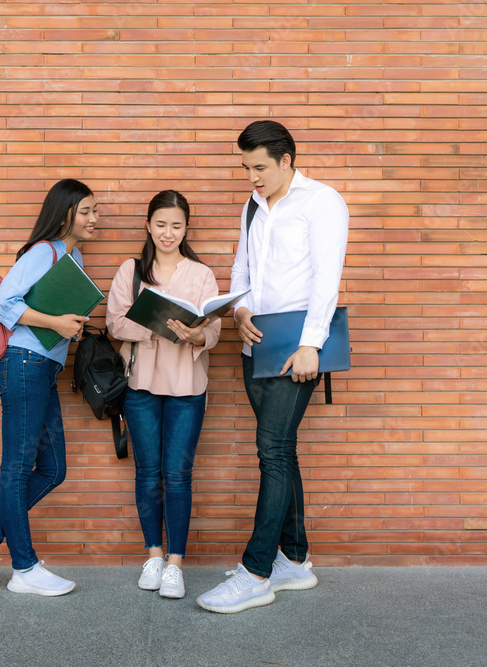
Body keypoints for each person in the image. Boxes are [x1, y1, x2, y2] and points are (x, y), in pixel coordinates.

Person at [196, 120, 348, 614]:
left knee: (273, 450)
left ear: (286, 160)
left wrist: (312, 347)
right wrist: (239, 310)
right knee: (281, 451)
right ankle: (296, 560)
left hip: (296, 348)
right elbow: (243, 266)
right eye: (245, 168)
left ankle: (257, 571)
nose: (251, 178)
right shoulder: (252, 206)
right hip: (254, 346)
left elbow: (327, 278)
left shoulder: (321, 202)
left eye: (258, 167)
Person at [0, 179, 98, 597]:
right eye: (86, 211)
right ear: (65, 213)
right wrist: (56, 323)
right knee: (17, 468)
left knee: (53, 469)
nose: (94, 219)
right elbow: (3, 304)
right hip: (22, 365)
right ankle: (24, 567)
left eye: (95, 211)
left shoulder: (74, 257)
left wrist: (70, 325)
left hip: (40, 368)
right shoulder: (45, 251)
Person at [106, 190, 221, 600]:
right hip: (140, 386)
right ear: (148, 225)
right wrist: (154, 326)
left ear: (186, 228)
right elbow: (114, 324)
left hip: (187, 387)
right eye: (160, 224)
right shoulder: (131, 270)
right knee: (146, 472)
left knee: (177, 474)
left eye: (175, 226)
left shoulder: (201, 273)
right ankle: (153, 554)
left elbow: (214, 329)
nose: (167, 233)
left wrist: (196, 335)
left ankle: (175, 563)